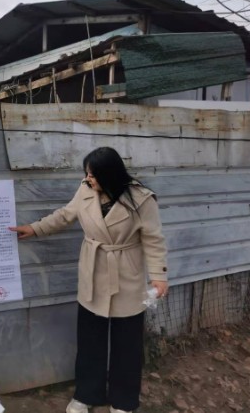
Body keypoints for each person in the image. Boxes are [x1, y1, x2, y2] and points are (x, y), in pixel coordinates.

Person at [10, 147, 168, 413]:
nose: (87, 179)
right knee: (90, 341)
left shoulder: (142, 199)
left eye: (93, 175)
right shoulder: (85, 190)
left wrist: (159, 276)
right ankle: (86, 394)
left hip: (126, 275)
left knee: (127, 344)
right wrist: (35, 229)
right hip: (93, 273)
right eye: (86, 174)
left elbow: (153, 239)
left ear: (109, 174)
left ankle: (123, 401)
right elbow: (65, 215)